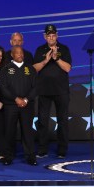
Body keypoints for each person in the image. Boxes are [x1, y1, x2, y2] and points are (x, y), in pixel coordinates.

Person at [33, 24, 72, 159]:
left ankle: (62, 150)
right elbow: (35, 69)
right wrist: (46, 60)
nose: (51, 37)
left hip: (61, 91)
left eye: (53, 35)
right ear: (45, 36)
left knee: (62, 121)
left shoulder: (65, 49)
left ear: (57, 35)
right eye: (48, 35)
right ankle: (43, 149)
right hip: (44, 90)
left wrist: (56, 58)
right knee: (43, 121)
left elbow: (67, 68)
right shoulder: (40, 50)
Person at [1, 45, 38, 166]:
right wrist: (15, 98)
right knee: (9, 131)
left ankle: (31, 156)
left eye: (21, 53)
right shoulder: (6, 69)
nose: (20, 55)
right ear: (12, 55)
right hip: (11, 105)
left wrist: (26, 99)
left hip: (27, 105)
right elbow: (4, 88)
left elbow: (35, 87)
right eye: (17, 53)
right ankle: (8, 156)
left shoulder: (30, 69)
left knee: (27, 131)